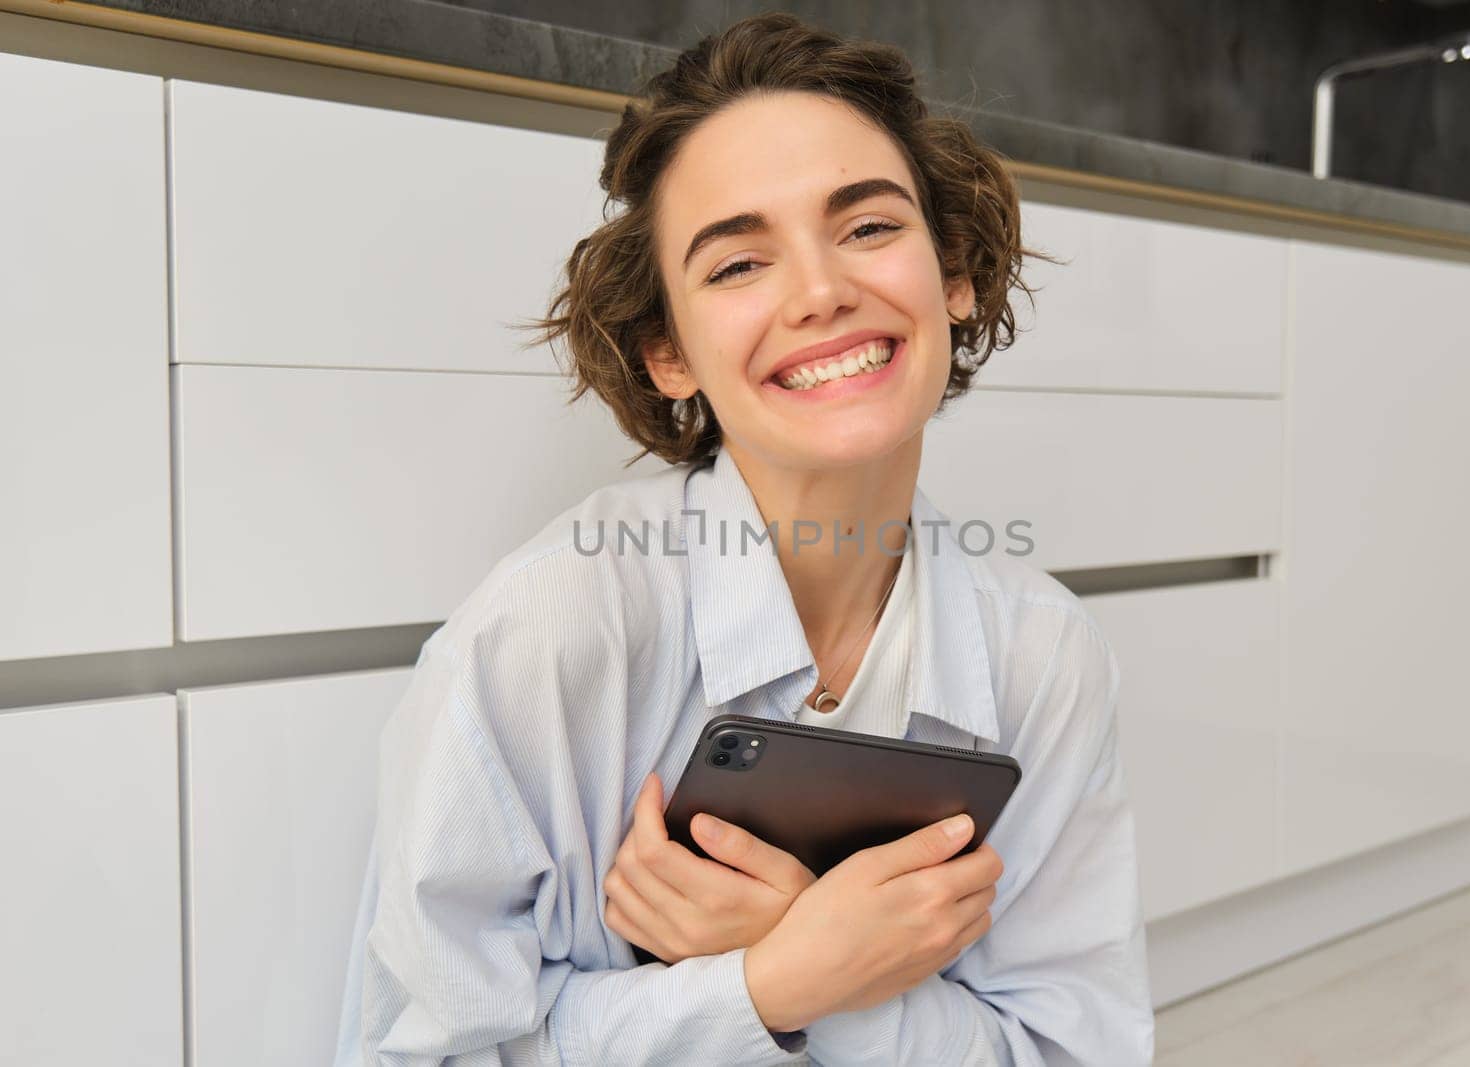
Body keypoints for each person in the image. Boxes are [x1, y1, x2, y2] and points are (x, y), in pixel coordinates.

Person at [335, 12, 1153, 1065]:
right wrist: (777, 981)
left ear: (951, 270)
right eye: (736, 265)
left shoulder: (1045, 654)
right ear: (668, 351)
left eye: (867, 228)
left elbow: (1072, 1049)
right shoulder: (552, 633)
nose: (821, 292)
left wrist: (809, 966)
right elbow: (427, 1048)